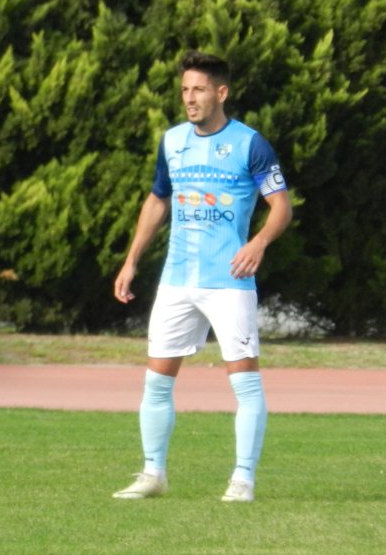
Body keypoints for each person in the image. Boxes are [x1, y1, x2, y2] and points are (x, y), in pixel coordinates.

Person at [111, 50, 292, 502]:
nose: (190, 99)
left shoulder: (250, 143)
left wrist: (258, 243)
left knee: (244, 381)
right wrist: (132, 259)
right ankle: (153, 474)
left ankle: (243, 479)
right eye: (185, 90)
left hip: (230, 279)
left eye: (199, 90)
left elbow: (282, 207)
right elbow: (157, 201)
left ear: (221, 92)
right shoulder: (172, 142)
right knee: (156, 379)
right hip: (177, 279)